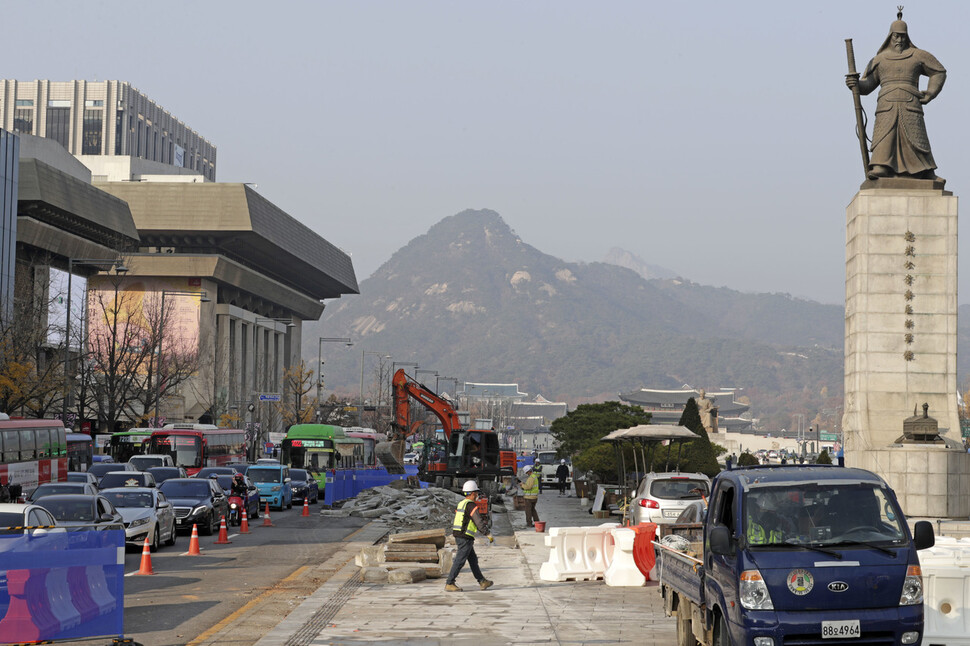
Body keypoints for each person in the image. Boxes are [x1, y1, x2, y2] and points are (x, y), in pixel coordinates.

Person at [845, 10, 946, 181]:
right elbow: (868, 85)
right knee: (885, 135)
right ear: (890, 36)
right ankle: (881, 166)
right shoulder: (880, 59)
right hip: (886, 104)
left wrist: (931, 93)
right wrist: (855, 85)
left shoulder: (918, 55)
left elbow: (939, 72)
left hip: (911, 104)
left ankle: (925, 171)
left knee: (916, 138)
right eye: (896, 36)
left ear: (907, 37)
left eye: (902, 36)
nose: (899, 40)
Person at [444, 480, 494, 592]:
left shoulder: (461, 503)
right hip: (465, 537)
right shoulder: (471, 505)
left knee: (473, 560)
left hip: (460, 535)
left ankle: (482, 581)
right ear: (472, 493)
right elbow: (478, 521)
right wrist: (487, 533)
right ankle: (449, 583)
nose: (477, 495)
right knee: (459, 560)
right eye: (476, 493)